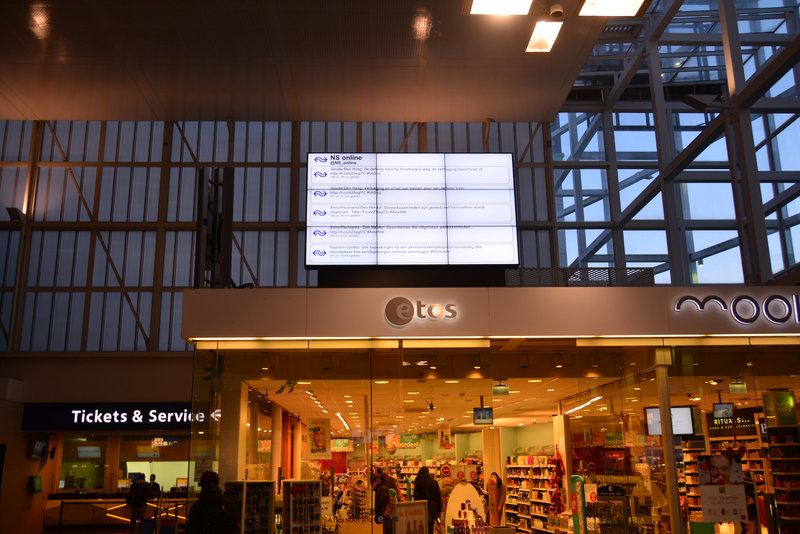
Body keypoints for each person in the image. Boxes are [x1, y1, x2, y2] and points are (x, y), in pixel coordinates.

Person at [413, 466, 442, 534]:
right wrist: (439, 510)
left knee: (422, 528)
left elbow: (416, 496)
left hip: (421, 509)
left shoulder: (418, 482)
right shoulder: (434, 482)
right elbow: (438, 497)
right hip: (432, 509)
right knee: (430, 528)